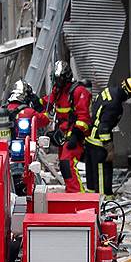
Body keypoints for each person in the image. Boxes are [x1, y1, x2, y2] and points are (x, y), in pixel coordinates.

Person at [83, 78, 131, 197]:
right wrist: (109, 148)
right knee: (102, 174)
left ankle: (90, 199)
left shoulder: (109, 91)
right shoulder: (115, 105)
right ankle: (104, 202)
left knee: (92, 175)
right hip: (99, 144)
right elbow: (103, 128)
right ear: (128, 92)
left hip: (89, 139)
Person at [41, 61, 91, 193]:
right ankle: (71, 192)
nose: (55, 83)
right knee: (64, 165)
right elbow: (47, 102)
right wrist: (34, 101)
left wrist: (75, 136)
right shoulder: (58, 90)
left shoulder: (78, 91)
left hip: (75, 134)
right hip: (63, 133)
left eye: (58, 80)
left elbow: (83, 118)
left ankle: (77, 195)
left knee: (67, 163)